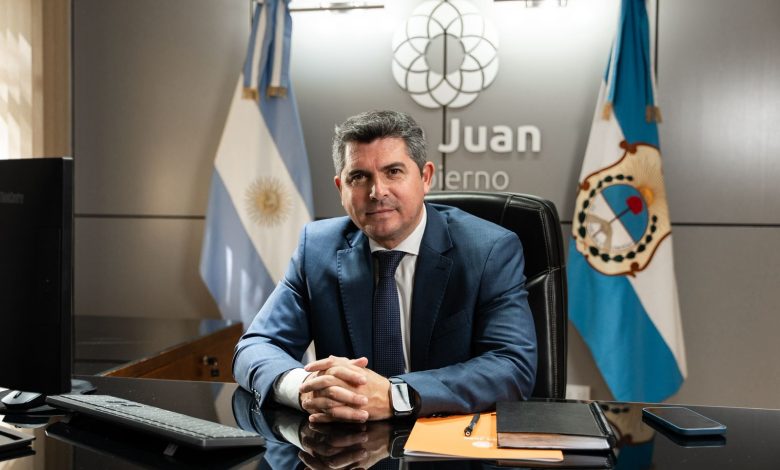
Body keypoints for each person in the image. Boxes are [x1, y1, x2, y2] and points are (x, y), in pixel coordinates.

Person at [233, 110, 537, 423]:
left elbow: (512, 367)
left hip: (445, 437)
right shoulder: (317, 248)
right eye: (359, 177)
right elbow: (256, 346)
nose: (377, 192)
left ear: (426, 177)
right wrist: (304, 387)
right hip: (347, 439)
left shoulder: (487, 250)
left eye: (393, 172)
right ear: (340, 188)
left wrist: (397, 395)